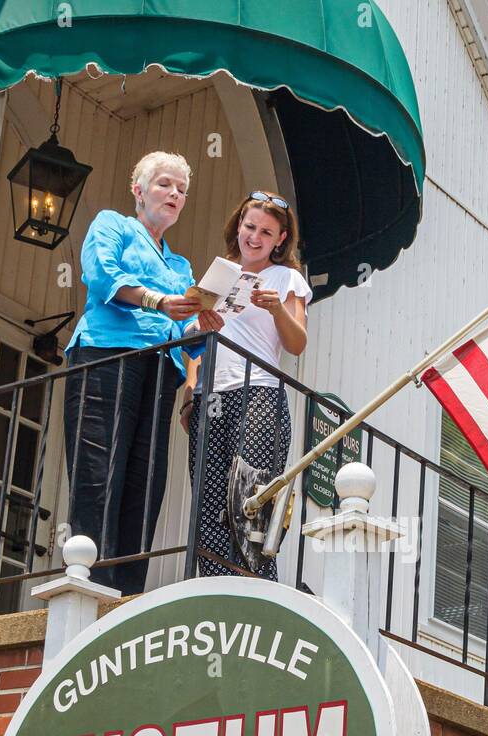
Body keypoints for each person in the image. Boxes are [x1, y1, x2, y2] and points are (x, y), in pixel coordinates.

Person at [62, 152, 223, 594]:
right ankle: (87, 580)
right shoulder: (112, 224)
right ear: (140, 190)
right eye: (165, 184)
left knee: (144, 482)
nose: (175, 194)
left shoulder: (181, 267)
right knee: (99, 468)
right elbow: (100, 275)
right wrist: (158, 302)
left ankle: (126, 593)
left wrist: (203, 323)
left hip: (160, 372)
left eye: (182, 190)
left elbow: (184, 333)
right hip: (107, 356)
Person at [181, 190, 311, 579]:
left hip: (259, 395)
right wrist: (190, 394)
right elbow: (194, 343)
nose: (254, 237)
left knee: (250, 497)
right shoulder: (219, 274)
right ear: (239, 224)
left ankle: (255, 586)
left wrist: (275, 309)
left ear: (281, 240)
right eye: (250, 226)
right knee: (208, 499)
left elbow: (297, 343)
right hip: (210, 396)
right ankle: (216, 584)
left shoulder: (286, 277)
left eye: (266, 232)